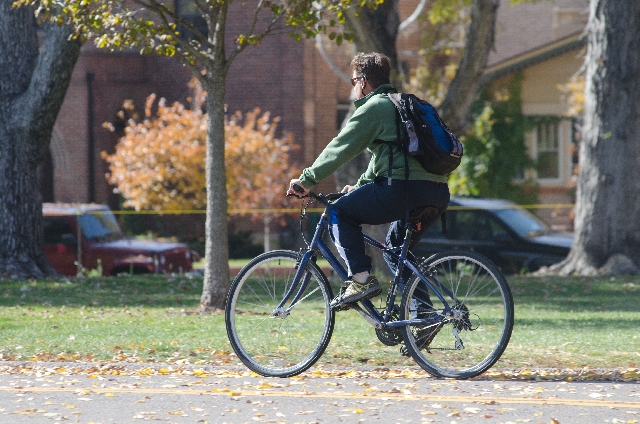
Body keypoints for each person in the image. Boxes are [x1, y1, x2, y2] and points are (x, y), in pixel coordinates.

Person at [287, 52, 450, 310]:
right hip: (437, 192)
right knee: (396, 251)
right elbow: (386, 157)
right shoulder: (404, 105)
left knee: (340, 212)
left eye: (353, 82)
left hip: (402, 189)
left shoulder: (376, 107)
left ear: (362, 82)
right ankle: (423, 317)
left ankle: (360, 280)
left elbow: (340, 147)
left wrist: (306, 180)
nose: (353, 89)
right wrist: (361, 186)